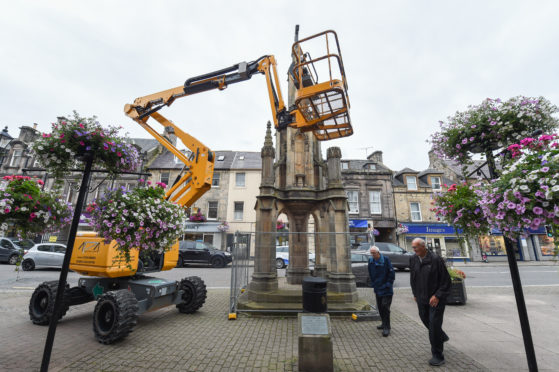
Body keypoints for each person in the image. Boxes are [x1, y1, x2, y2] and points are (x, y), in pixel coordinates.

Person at [410, 238, 451, 366]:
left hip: (435, 300)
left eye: (415, 247)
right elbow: (413, 278)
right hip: (421, 298)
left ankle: (438, 356)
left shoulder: (435, 259)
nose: (414, 250)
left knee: (433, 326)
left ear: (423, 247)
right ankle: (441, 336)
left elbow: (446, 281)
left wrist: (437, 295)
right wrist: (415, 294)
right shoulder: (413, 259)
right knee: (424, 319)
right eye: (413, 247)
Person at [368, 245, 395, 337]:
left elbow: (391, 273)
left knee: (385, 307)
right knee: (380, 307)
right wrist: (373, 283)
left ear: (378, 252)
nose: (373, 255)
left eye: (374, 253)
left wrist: (388, 284)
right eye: (371, 253)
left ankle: (387, 327)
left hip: (386, 289)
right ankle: (383, 323)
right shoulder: (371, 261)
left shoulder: (386, 260)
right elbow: (371, 273)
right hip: (377, 288)